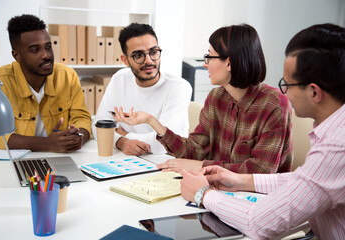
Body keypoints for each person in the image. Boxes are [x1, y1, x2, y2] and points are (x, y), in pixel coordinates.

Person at [179, 23, 345, 239]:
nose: (284, 91)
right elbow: (305, 180)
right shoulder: (334, 132)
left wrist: (203, 194)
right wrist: (240, 180)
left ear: (314, 92)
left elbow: (258, 224)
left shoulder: (337, 146)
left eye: (288, 84)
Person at [114, 24, 292, 173]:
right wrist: (152, 121)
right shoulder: (216, 97)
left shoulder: (273, 104)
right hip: (217, 190)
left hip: (257, 201)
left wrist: (200, 165)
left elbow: (259, 171)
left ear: (229, 63)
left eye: (209, 56)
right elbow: (193, 151)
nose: (205, 64)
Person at [0, 14, 91, 152]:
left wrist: (79, 137)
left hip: (60, 157)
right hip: (14, 161)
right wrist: (46, 143)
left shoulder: (67, 76)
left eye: (48, 47)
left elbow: (82, 117)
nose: (46, 55)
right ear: (17, 55)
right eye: (35, 50)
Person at [93, 23, 192, 155]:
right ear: (125, 60)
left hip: (167, 160)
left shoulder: (178, 87)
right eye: (138, 55)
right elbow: (98, 126)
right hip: (130, 158)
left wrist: (124, 134)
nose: (149, 61)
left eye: (154, 52)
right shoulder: (119, 79)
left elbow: (162, 145)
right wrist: (121, 142)